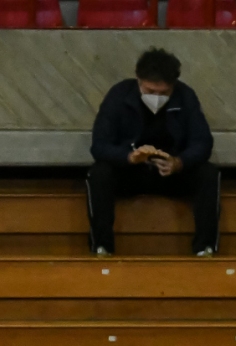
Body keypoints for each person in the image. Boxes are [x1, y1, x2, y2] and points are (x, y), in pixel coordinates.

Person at [86, 48, 219, 258]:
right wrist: (129, 157)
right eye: (150, 91)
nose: (156, 97)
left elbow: (203, 142)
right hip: (131, 173)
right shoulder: (119, 95)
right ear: (138, 80)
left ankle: (205, 248)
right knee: (99, 173)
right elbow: (99, 146)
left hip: (171, 174)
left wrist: (179, 162)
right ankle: (102, 247)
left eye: (164, 93)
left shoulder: (185, 96)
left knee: (208, 173)